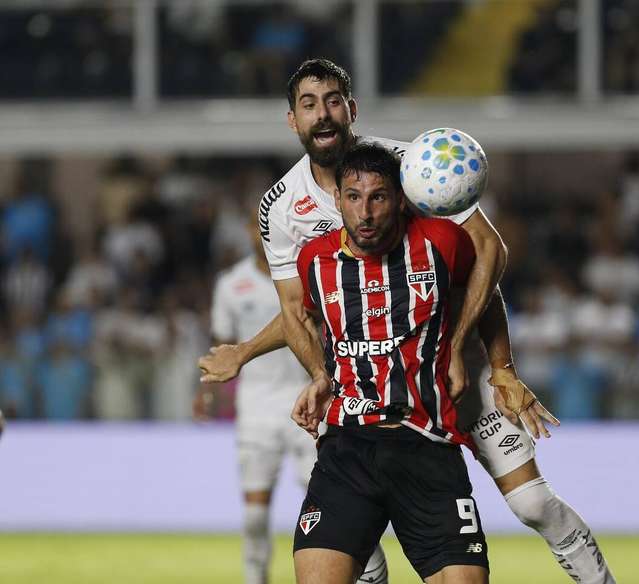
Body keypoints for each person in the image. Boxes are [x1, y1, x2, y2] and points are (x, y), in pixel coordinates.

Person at [199, 58, 615, 584]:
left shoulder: (414, 165)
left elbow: (486, 255)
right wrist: (320, 378)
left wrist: (498, 365)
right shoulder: (281, 208)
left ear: (351, 108)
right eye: (309, 105)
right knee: (352, 537)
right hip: (370, 389)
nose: (323, 116)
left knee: (532, 503)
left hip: (455, 373)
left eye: (333, 101)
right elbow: (299, 312)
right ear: (292, 120)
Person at [291, 142, 488, 583]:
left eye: (378, 197)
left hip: (427, 446)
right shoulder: (315, 261)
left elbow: (484, 290)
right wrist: (321, 377)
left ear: (400, 198)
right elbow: (308, 320)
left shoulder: (441, 241)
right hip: (348, 451)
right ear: (338, 199)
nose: (365, 212)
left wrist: (476, 354)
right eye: (353, 197)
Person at [193, 216, 318, 584]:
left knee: (325, 507)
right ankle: (255, 578)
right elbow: (221, 344)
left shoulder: (307, 274)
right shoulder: (232, 284)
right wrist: (207, 391)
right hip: (257, 408)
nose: (261, 234)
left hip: (308, 402)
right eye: (254, 226)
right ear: (248, 231)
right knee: (254, 515)